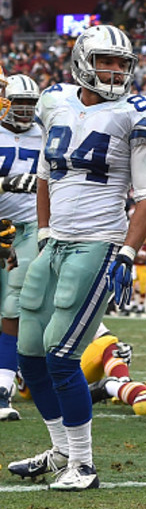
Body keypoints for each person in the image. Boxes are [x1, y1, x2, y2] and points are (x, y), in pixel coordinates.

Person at [10, 25, 146, 491]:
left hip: (98, 244)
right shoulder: (55, 101)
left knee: (61, 355)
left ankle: (84, 464)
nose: (115, 71)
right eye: (106, 61)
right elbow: (43, 176)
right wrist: (42, 232)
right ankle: (61, 451)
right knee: (30, 356)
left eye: (122, 63)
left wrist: (127, 252)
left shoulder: (136, 114)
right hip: (55, 243)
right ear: (82, 60)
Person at [0, 73, 41, 421]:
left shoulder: (45, 132)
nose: (26, 110)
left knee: (15, 304)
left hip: (29, 230)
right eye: (20, 102)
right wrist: (5, 183)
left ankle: (4, 385)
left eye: (31, 103)